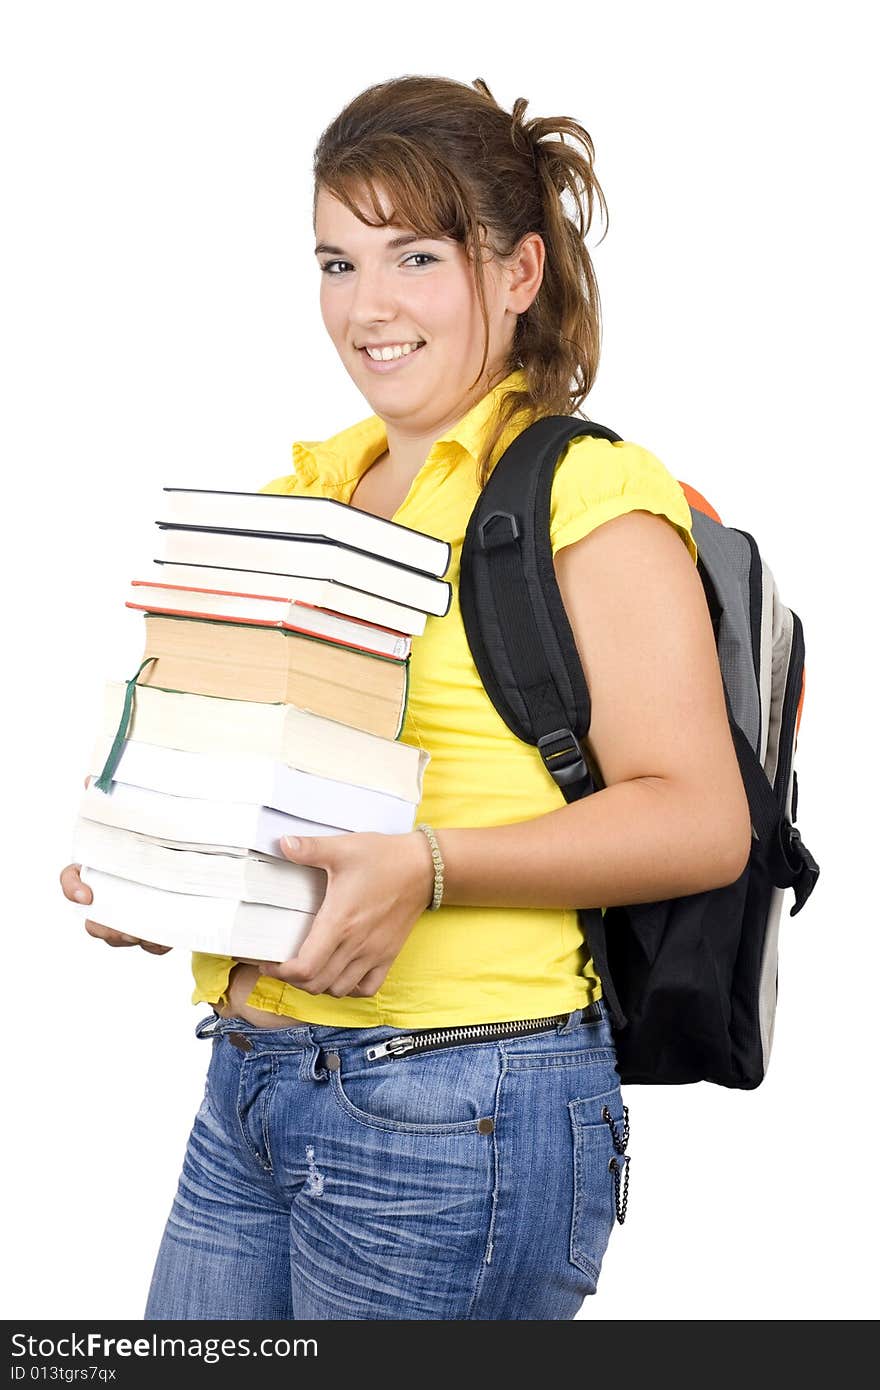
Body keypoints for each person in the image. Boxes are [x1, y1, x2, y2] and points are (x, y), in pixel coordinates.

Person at [59, 74, 751, 1320]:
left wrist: (424, 866)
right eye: (335, 261)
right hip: (252, 1081)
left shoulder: (583, 497)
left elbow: (701, 818)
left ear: (519, 272)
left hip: (459, 1105)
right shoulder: (307, 498)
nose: (366, 307)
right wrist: (159, 871)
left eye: (415, 256)